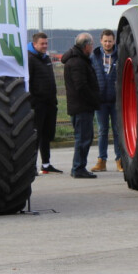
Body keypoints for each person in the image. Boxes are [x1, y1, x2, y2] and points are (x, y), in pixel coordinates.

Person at [62, 32, 101, 179]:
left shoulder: (78, 60)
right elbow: (81, 86)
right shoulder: (78, 62)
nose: (92, 47)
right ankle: (78, 167)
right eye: (91, 44)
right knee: (83, 138)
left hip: (80, 106)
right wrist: (94, 99)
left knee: (84, 137)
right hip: (82, 107)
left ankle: (79, 166)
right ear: (86, 46)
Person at [27, 32, 63, 174]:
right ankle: (31, 166)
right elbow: (28, 82)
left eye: (46, 43)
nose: (45, 46)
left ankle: (46, 164)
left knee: (47, 135)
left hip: (49, 103)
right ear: (34, 44)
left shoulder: (46, 58)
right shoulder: (30, 59)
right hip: (37, 104)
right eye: (42, 44)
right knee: (35, 135)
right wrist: (33, 101)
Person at [89, 29, 122, 172]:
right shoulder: (94, 57)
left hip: (116, 101)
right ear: (101, 41)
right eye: (105, 41)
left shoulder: (120, 56)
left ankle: (120, 160)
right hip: (100, 101)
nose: (108, 43)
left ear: (114, 41)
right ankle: (101, 161)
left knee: (117, 131)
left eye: (110, 41)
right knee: (102, 131)